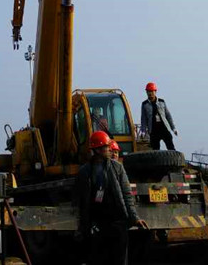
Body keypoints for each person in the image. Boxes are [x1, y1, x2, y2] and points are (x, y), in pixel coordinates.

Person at [74, 130, 148, 265]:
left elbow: (127, 195)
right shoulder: (84, 172)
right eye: (106, 147)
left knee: (119, 260)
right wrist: (81, 227)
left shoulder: (117, 168)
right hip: (97, 224)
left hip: (117, 222)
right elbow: (81, 202)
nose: (110, 149)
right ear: (97, 149)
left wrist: (134, 218)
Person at [140, 82, 177, 151]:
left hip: (164, 128)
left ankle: (174, 161)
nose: (150, 93)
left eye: (151, 91)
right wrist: (143, 131)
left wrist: (173, 128)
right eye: (148, 91)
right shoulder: (144, 104)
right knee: (155, 149)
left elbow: (168, 115)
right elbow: (143, 119)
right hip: (153, 130)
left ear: (155, 91)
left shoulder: (162, 102)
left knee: (171, 147)